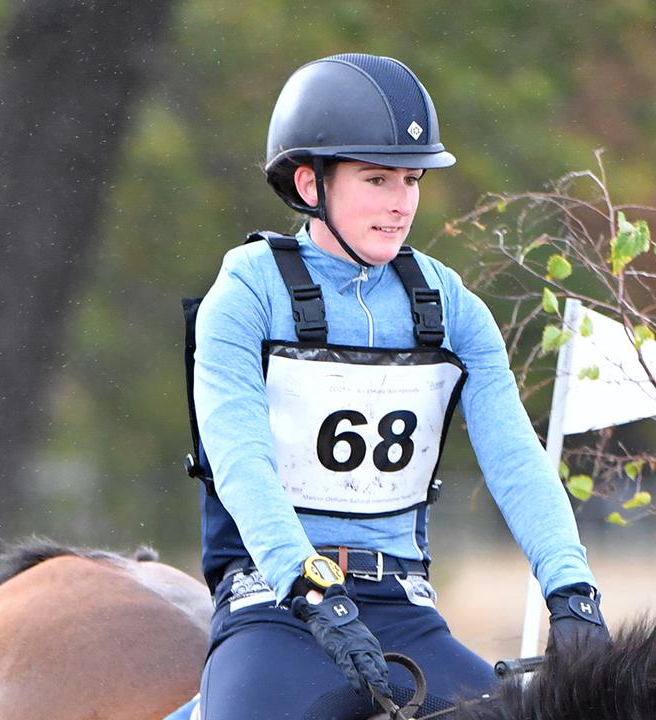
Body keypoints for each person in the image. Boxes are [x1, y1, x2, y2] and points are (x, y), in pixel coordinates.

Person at [179, 53, 608, 720]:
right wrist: (308, 585)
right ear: (309, 182)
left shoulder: (451, 303)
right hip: (276, 608)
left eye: (411, 180)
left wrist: (571, 590)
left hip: (402, 611)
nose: (402, 202)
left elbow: (515, 457)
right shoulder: (245, 292)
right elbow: (240, 462)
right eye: (377, 179)